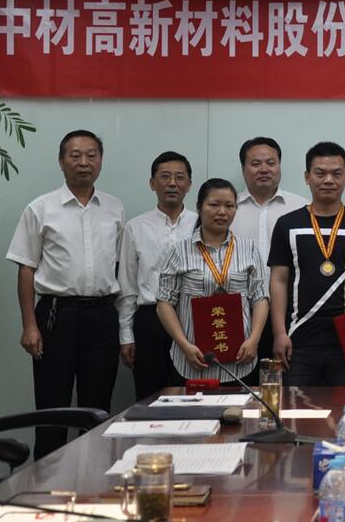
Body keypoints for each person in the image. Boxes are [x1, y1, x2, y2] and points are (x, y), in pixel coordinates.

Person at [7, 130, 124, 459]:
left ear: (100, 161)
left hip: (102, 315)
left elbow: (118, 266)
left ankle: (94, 478)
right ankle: (46, 481)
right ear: (61, 162)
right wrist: (29, 325)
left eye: (91, 155)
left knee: (97, 407)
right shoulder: (41, 208)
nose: (84, 162)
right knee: (52, 406)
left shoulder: (114, 208)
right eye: (75, 155)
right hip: (56, 315)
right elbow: (26, 269)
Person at [268, 142, 345, 386]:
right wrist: (279, 332)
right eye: (320, 173)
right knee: (295, 407)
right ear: (307, 177)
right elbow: (278, 280)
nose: (328, 180)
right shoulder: (288, 224)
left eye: (336, 174)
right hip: (298, 339)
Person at [155, 178, 268, 384]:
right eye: (214, 205)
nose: (222, 212)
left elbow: (260, 298)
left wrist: (254, 340)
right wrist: (184, 345)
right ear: (199, 208)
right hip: (192, 360)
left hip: (240, 361)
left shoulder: (248, 248)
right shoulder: (179, 250)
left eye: (229, 206)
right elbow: (164, 303)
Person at [116, 151, 196, 400]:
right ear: (152, 183)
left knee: (193, 394)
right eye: (165, 177)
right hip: (150, 322)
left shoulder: (201, 225)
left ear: (189, 184)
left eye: (179, 177)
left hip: (193, 319)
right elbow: (127, 286)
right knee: (150, 395)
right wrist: (126, 335)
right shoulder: (135, 227)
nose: (172, 183)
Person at [232, 136, 309, 262]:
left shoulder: (302, 208)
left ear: (279, 166)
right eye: (256, 164)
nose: (264, 170)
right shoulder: (228, 209)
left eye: (271, 163)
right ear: (243, 169)